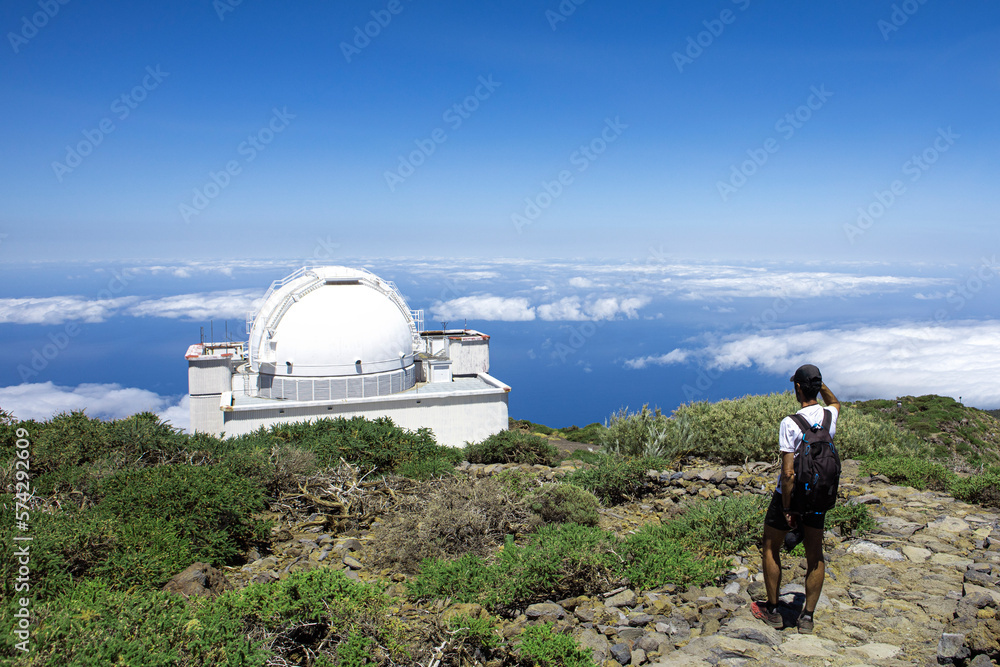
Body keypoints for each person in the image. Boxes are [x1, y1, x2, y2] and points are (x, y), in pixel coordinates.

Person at [751, 364, 840, 634]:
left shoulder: (790, 422)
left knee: (770, 546)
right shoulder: (828, 416)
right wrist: (819, 384)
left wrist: (789, 508)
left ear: (797, 388)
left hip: (789, 497)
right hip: (818, 496)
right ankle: (807, 617)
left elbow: (788, 473)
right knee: (815, 553)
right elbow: (835, 401)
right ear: (818, 387)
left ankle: (774, 609)